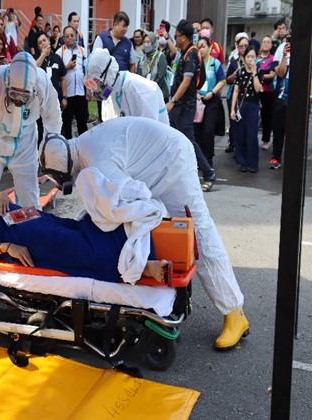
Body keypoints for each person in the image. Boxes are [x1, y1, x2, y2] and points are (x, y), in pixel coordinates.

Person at [39, 117, 250, 350]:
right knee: (164, 228)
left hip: (172, 162)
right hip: (155, 163)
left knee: (199, 234)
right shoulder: (84, 146)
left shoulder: (98, 160)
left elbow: (126, 206)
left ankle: (234, 311)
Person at [0, 193, 168, 284]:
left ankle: (132, 242)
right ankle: (141, 266)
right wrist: (6, 247)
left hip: (15, 216)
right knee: (69, 245)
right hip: (8, 231)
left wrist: (1, 196)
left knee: (72, 228)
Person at [0, 52, 62, 209]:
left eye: (24, 97)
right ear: (7, 81)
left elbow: (53, 119)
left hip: (25, 143)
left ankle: (27, 229)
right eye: (13, 94)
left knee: (29, 199)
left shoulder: (42, 83)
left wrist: (51, 154)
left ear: (33, 90)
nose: (18, 101)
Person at [167, 19, 216, 193]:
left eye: (176, 36)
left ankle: (209, 173)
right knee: (175, 138)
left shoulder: (192, 54)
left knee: (188, 140)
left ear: (183, 37)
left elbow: (187, 81)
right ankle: (177, 174)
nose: (175, 39)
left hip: (184, 106)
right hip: (180, 105)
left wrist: (172, 102)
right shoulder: (185, 51)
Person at [84, 48, 168, 124]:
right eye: (90, 84)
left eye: (96, 82)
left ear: (108, 72)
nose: (94, 90)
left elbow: (149, 131)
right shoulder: (109, 92)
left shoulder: (139, 89)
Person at [194, 36, 226, 169]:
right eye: (198, 46)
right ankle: (199, 161)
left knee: (208, 130)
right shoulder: (195, 63)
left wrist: (212, 92)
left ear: (209, 47)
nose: (201, 49)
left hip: (211, 100)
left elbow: (222, 80)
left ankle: (208, 160)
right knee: (197, 131)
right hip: (197, 100)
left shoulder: (215, 63)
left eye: (203, 46)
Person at [230, 46, 262, 173]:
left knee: (252, 134)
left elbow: (258, 89)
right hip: (241, 106)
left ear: (256, 58)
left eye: (253, 57)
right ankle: (242, 161)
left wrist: (254, 73)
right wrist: (232, 109)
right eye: (248, 56)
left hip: (253, 105)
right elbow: (236, 91)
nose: (250, 59)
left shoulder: (259, 71)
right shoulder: (240, 72)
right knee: (240, 134)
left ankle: (253, 163)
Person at [56, 25, 88, 139]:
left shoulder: (82, 50)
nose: (70, 38)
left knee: (82, 123)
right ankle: (68, 148)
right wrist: (67, 67)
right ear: (63, 38)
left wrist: (88, 90)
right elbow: (57, 72)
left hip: (80, 92)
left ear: (76, 36)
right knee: (67, 123)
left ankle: (84, 147)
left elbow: (86, 70)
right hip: (67, 94)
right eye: (67, 36)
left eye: (72, 35)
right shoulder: (60, 52)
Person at [35, 30, 67, 143]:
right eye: (40, 43)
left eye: (44, 40)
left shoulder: (57, 58)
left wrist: (64, 96)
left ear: (49, 41)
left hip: (55, 100)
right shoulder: (36, 58)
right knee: (40, 129)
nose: (43, 43)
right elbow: (33, 70)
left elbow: (62, 78)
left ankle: (60, 150)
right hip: (40, 102)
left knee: (58, 127)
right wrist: (43, 55)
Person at [225, 34, 249, 154]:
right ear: (237, 47)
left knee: (244, 122)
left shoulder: (252, 59)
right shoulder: (234, 61)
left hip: (248, 96)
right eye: (241, 46)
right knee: (233, 120)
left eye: (246, 46)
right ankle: (232, 143)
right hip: (234, 94)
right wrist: (236, 73)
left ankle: (242, 146)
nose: (243, 48)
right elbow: (227, 79)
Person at [270, 34, 291, 170]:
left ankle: (294, 159)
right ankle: (276, 157)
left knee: (296, 131)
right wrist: (285, 55)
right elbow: (280, 73)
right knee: (278, 129)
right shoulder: (282, 48)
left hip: (300, 97)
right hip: (282, 96)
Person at [137, 31, 169, 102]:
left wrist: (151, 90)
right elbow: (138, 77)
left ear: (153, 43)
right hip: (144, 94)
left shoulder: (160, 56)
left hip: (158, 93)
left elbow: (160, 76)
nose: (146, 44)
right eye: (144, 42)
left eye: (148, 42)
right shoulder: (142, 59)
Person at [257, 35, 276, 151]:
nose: (266, 44)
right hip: (256, 89)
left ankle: (266, 139)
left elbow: (273, 74)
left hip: (268, 91)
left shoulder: (273, 59)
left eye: (268, 42)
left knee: (267, 115)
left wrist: (260, 75)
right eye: (264, 42)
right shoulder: (256, 58)